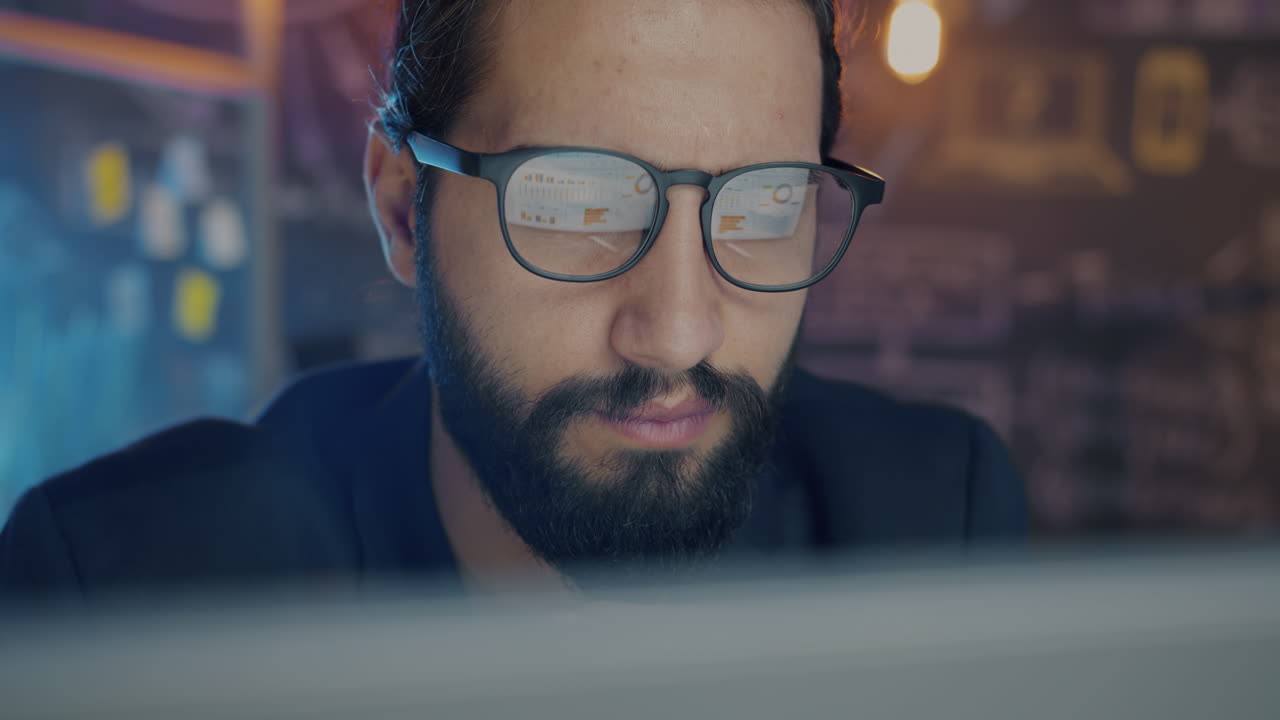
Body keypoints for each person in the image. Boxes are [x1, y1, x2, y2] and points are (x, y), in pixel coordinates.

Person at [0, 0, 1025, 599]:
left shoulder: (930, 522)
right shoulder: (130, 586)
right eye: (574, 204)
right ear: (404, 210)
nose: (678, 332)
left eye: (763, 206)